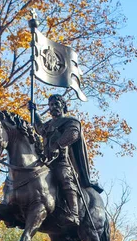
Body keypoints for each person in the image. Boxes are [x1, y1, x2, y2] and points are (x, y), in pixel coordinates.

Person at [29, 94, 102, 226]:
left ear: (63, 106)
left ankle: (74, 213)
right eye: (50, 105)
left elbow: (73, 134)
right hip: (46, 162)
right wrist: (34, 112)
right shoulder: (49, 124)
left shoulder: (70, 121)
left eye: (56, 104)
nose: (53, 107)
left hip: (61, 161)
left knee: (64, 177)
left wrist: (57, 145)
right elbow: (39, 129)